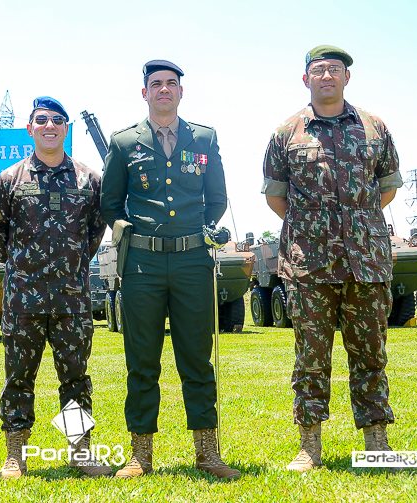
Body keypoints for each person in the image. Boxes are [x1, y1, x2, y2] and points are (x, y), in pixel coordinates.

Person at [262, 45, 403, 471]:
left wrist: (355, 224)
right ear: (306, 78)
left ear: (347, 77)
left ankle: (377, 442)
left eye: (335, 70)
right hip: (309, 266)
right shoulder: (286, 133)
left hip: (367, 262)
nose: (327, 76)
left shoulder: (374, 128)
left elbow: (387, 187)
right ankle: (310, 446)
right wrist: (315, 229)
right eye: (319, 70)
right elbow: (276, 197)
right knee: (310, 358)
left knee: (371, 354)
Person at [100, 60, 239, 479]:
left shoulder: (204, 138)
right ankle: (140, 455)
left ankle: (207, 452)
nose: (164, 89)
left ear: (181, 92)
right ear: (144, 93)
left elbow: (217, 198)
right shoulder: (124, 142)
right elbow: (110, 203)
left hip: (193, 261)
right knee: (142, 360)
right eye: (156, 84)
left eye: (171, 84)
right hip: (142, 264)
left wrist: (206, 230)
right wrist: (125, 231)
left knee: (197, 359)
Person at [0, 96, 109, 478]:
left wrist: (68, 266)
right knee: (18, 378)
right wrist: (27, 268)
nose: (49, 126)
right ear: (30, 128)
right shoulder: (9, 180)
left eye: (57, 120)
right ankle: (15, 455)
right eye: (41, 120)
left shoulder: (90, 180)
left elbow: (94, 234)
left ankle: (79, 451)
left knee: (75, 377)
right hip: (23, 300)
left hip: (71, 300)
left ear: (66, 128)